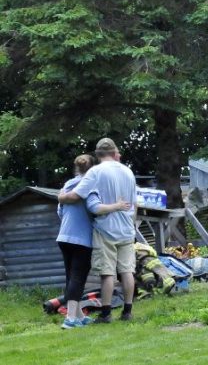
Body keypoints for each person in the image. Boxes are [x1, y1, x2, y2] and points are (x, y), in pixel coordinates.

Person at [58, 138, 137, 324]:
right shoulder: (128, 171)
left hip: (106, 228)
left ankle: (106, 313)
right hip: (127, 228)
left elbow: (76, 195)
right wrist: (132, 224)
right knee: (127, 270)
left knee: (107, 272)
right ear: (114, 152)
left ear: (98, 154)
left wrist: (61, 197)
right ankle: (127, 311)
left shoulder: (95, 172)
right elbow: (135, 203)